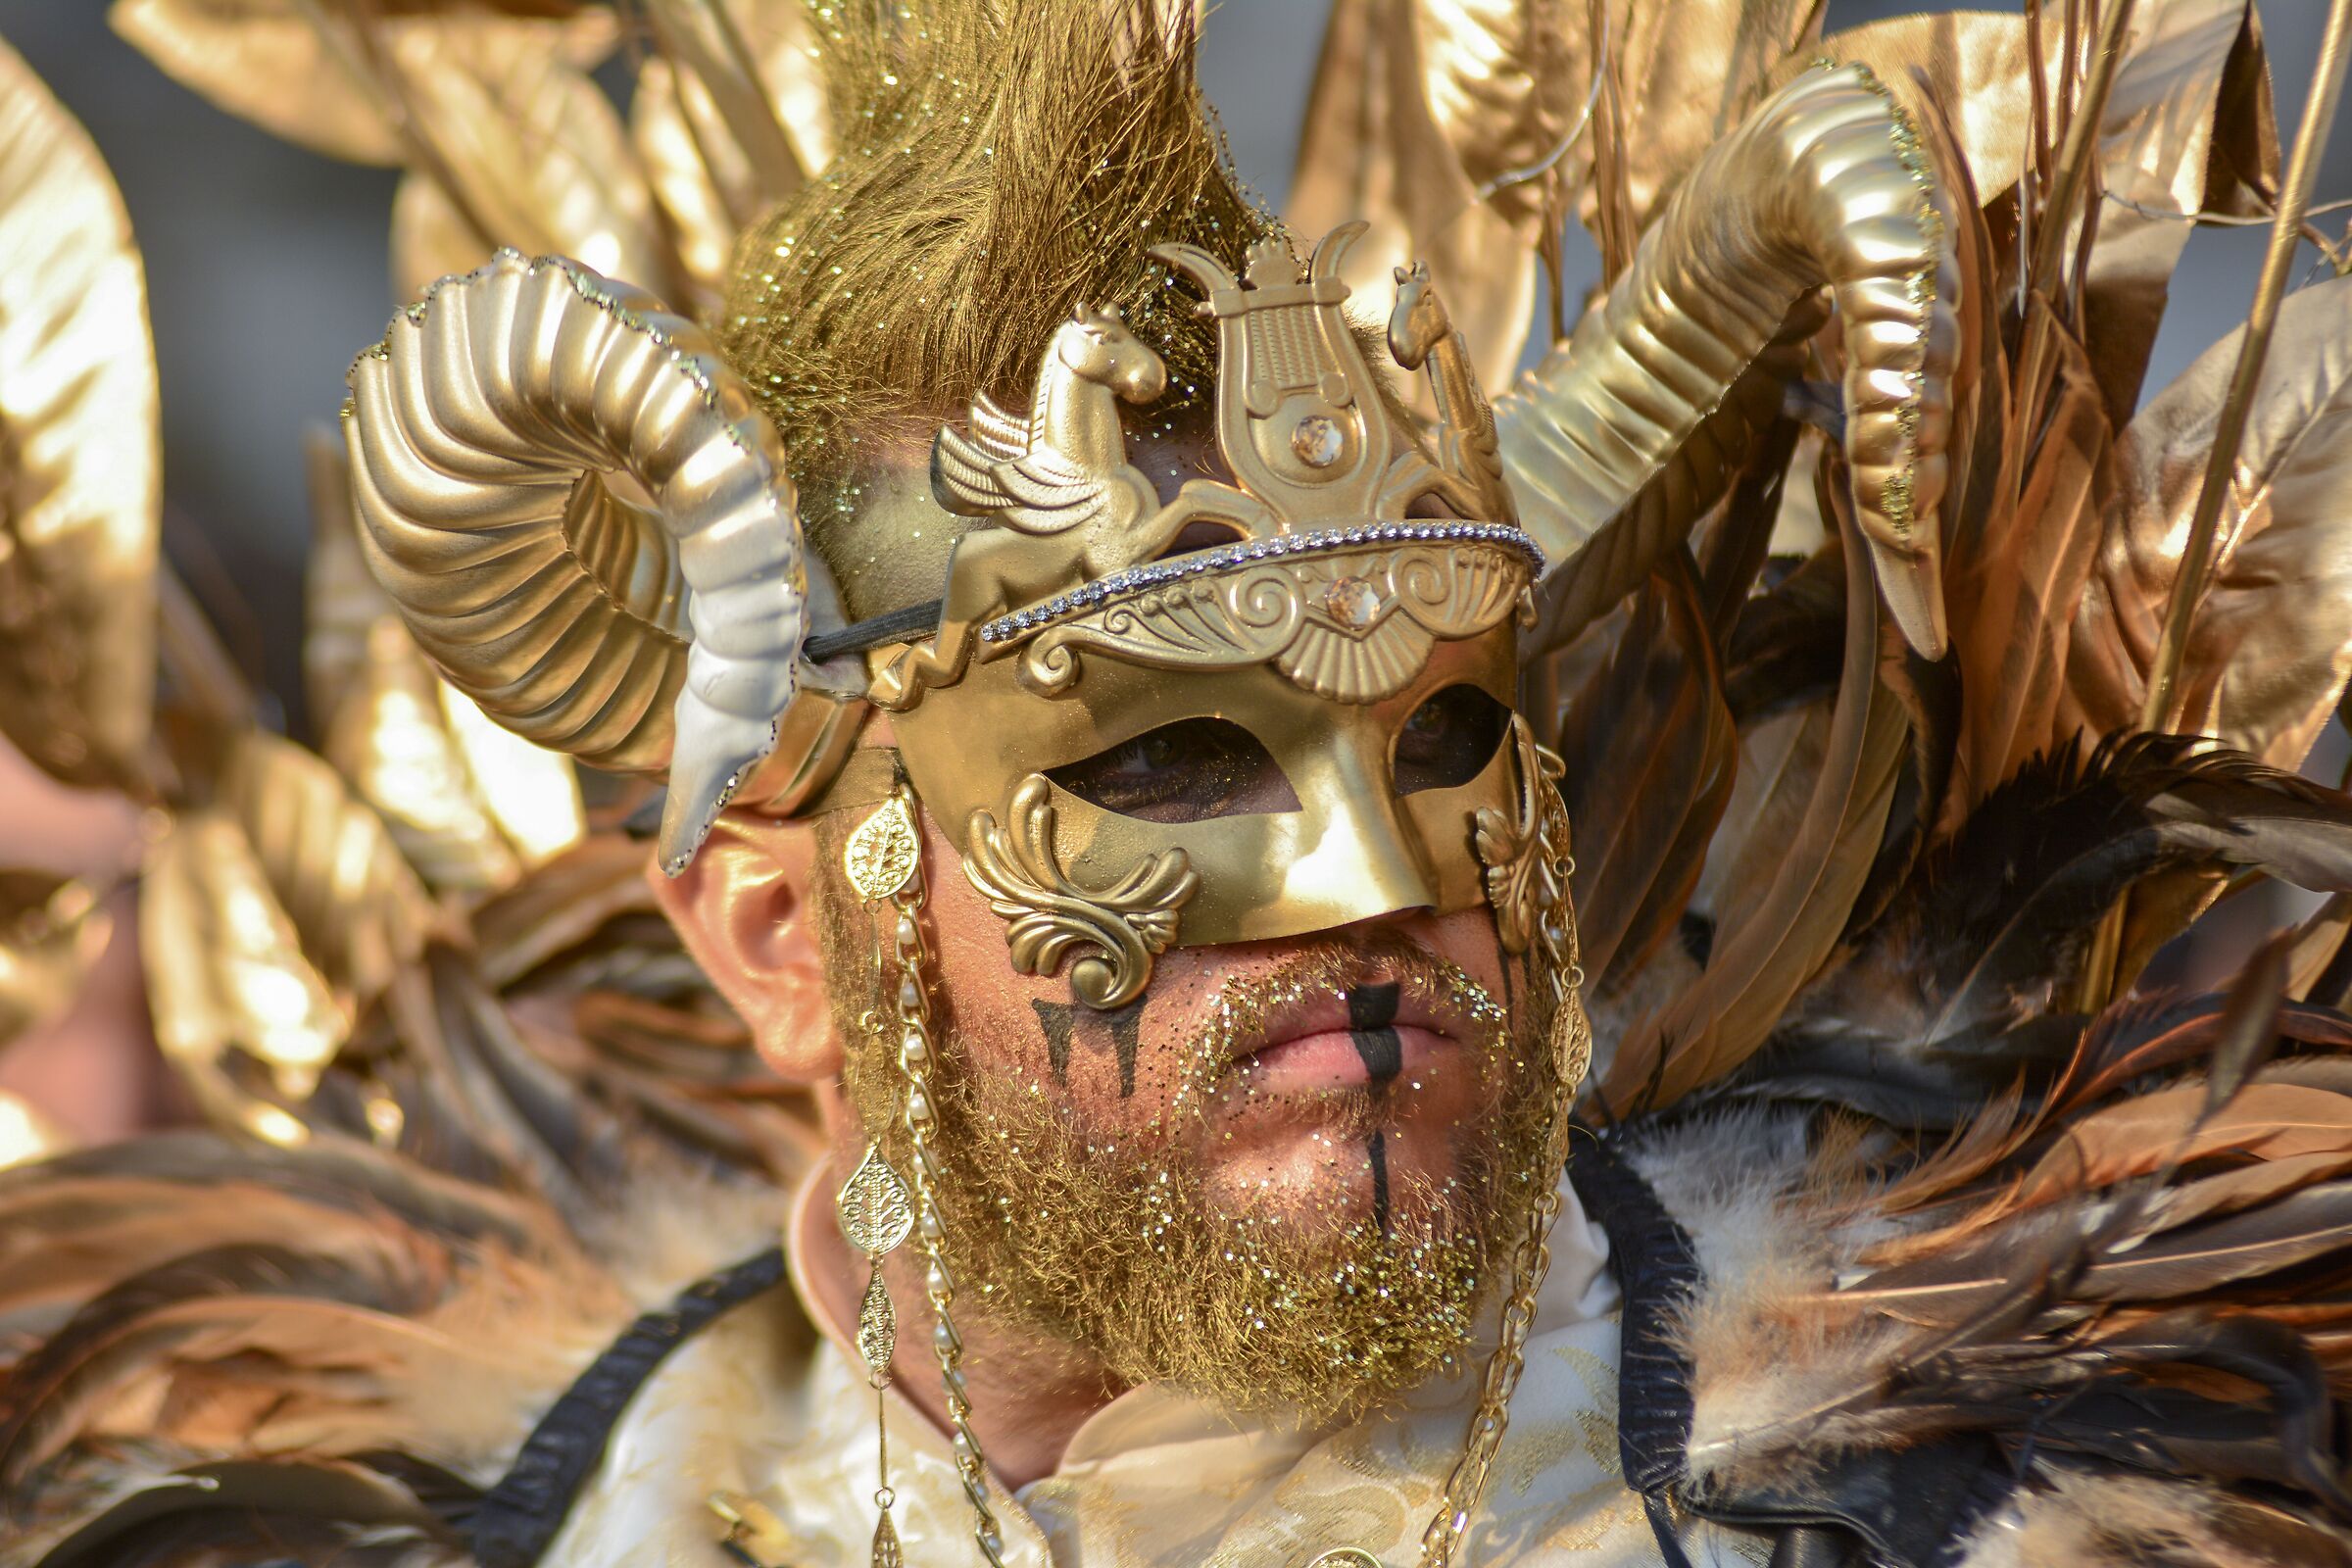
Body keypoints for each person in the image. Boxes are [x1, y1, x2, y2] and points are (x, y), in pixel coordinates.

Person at [7, 4, 2352, 1566]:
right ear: (779, 944)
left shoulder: (2007, 1498)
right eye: (1173, 763)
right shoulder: (554, 1506)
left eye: (1445, 739)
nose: (1374, 881)